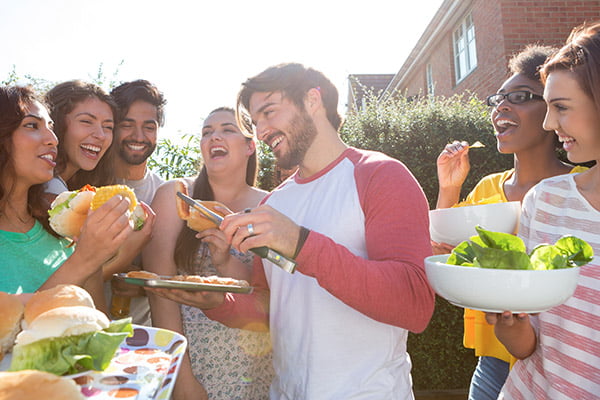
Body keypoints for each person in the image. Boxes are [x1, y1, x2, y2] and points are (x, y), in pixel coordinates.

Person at [148, 63, 435, 399]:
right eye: (255, 123)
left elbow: (414, 305)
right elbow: (272, 305)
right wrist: (217, 302)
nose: (263, 130)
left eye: (269, 112)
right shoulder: (275, 202)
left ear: (313, 100)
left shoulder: (380, 176)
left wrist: (300, 243)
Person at [434, 45, 586, 400]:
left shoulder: (584, 188)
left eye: (519, 96)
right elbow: (443, 246)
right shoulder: (487, 188)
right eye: (499, 99)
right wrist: (449, 187)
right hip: (494, 367)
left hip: (566, 367)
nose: (501, 106)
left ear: (553, 109)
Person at [487, 22, 600, 400]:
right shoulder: (547, 200)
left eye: (562, 108)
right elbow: (529, 342)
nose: (551, 123)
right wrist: (509, 324)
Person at [144, 107, 273, 400]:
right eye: (206, 132)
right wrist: (181, 380)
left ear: (250, 146)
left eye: (228, 129)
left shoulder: (272, 205)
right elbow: (159, 291)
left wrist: (225, 260)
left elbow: (269, 296)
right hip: (194, 367)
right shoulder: (176, 195)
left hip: (259, 368)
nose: (215, 136)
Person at [0, 85, 133, 302]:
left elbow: (97, 326)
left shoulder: (62, 231)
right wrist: (85, 260)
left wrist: (92, 256)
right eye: (32, 125)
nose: (53, 139)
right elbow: (8, 330)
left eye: (50, 127)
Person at [43, 80, 155, 312]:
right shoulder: (50, 191)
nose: (100, 135)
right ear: (55, 124)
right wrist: (126, 253)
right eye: (86, 122)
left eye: (108, 126)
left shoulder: (74, 187)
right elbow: (73, 275)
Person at [105, 80, 166, 325]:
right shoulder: (86, 187)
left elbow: (180, 274)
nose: (139, 136)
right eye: (127, 125)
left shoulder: (165, 193)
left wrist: (145, 287)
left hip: (146, 336)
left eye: (148, 127)